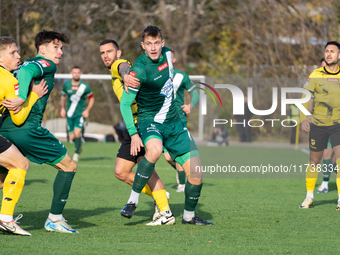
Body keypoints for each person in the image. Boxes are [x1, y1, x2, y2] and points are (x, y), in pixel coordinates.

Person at [120, 25, 213, 225]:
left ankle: (189, 217)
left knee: (196, 174)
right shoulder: (139, 70)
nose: (153, 48)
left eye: (157, 43)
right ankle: (132, 201)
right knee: (154, 150)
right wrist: (134, 134)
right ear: (142, 45)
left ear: (163, 43)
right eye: (148, 44)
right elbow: (125, 103)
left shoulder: (168, 54)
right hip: (150, 121)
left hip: (175, 123)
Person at [0, 30, 79, 233]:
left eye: (61, 48)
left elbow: (23, 72)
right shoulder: (45, 64)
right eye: (56, 47)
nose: (60, 52)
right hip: (27, 129)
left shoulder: (21, 64)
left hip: (5, 129)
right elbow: (27, 75)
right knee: (69, 166)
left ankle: (5, 216)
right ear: (42, 49)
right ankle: (55, 219)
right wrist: (23, 99)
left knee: (3, 180)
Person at [99, 39, 171, 223]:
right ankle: (161, 198)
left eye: (109, 51)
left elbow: (122, 66)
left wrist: (124, 75)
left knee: (144, 167)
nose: (106, 56)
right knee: (122, 171)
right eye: (102, 53)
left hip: (142, 123)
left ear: (119, 52)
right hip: (137, 122)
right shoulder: (117, 71)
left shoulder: (120, 66)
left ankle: (165, 210)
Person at [0, 36, 48, 235]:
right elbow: (18, 119)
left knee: (2, 180)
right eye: (13, 52)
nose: (18, 56)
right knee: (21, 164)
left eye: (18, 51)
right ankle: (5, 219)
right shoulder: (10, 80)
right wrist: (34, 94)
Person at [299, 41, 340, 210]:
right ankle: (309, 197)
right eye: (326, 51)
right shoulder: (315, 74)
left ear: (339, 55)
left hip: (338, 124)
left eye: (332, 51)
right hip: (318, 124)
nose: (329, 54)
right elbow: (305, 97)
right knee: (313, 161)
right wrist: (304, 118)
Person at [163, 47, 200, 193]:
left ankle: (182, 184)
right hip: (161, 122)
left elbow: (195, 93)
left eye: (169, 57)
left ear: (174, 59)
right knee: (167, 157)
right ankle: (182, 170)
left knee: (178, 153)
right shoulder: (156, 75)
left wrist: (191, 105)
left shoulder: (181, 76)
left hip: (179, 120)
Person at [60, 66, 94, 162]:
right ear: (71, 73)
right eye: (74, 72)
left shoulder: (85, 87)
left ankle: (76, 153)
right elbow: (63, 96)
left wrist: (87, 110)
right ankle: (79, 145)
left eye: (78, 72)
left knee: (77, 132)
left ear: (80, 73)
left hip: (80, 113)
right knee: (71, 137)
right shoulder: (66, 85)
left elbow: (91, 98)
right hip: (70, 113)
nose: (76, 74)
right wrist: (62, 108)